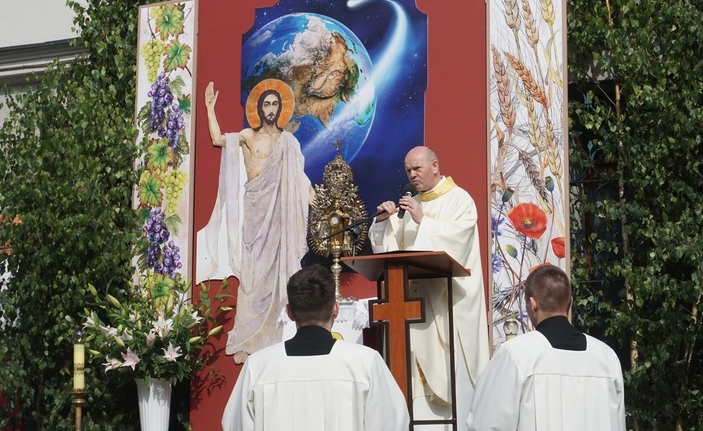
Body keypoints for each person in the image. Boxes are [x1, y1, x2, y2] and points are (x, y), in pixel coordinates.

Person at [369, 145, 489, 427]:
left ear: (435, 166)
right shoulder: (407, 205)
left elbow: (459, 241)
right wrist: (382, 223)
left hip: (446, 309)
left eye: (417, 168)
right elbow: (391, 251)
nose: (412, 175)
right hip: (411, 310)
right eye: (408, 170)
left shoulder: (460, 200)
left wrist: (424, 221)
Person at [196, 79, 312, 364]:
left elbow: (300, 182)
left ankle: (277, 335)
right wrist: (210, 108)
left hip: (280, 216)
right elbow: (218, 140)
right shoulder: (248, 136)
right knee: (252, 277)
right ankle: (249, 338)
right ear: (259, 108)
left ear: (281, 108)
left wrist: (320, 202)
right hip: (255, 211)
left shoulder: (289, 142)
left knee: (278, 276)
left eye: (275, 104)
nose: (271, 109)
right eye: (266, 104)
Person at [221, 264, 410, 431]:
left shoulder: (258, 367)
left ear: (289, 312)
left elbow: (235, 425)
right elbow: (392, 422)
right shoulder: (366, 363)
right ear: (336, 309)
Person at [466, 264, 626, 431]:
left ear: (533, 304)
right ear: (569, 303)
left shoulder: (515, 355)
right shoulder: (607, 358)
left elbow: (486, 424)